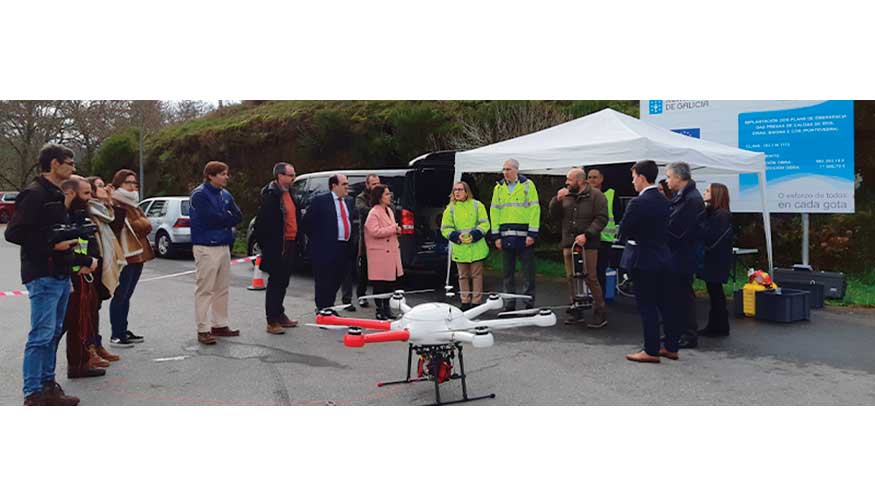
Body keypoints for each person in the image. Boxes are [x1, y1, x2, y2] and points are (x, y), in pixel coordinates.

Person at [4, 143, 94, 405]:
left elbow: (54, 229)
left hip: (61, 271)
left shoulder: (55, 193)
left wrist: (72, 241)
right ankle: (33, 392)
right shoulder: (33, 194)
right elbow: (14, 233)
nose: (74, 168)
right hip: (42, 273)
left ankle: (48, 386)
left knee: (53, 333)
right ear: (54, 164)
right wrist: (51, 244)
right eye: (70, 162)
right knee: (41, 335)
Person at [617, 160, 675, 363]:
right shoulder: (664, 200)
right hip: (664, 257)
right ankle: (671, 346)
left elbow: (624, 229)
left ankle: (650, 350)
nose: (632, 182)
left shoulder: (638, 202)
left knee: (647, 305)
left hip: (644, 258)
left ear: (641, 177)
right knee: (665, 304)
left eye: (633, 177)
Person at [189, 161, 243, 345]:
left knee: (222, 288)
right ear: (211, 176)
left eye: (226, 173)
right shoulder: (199, 195)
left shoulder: (225, 193)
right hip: (206, 246)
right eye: (222, 174)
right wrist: (227, 219)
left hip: (223, 244)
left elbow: (238, 215)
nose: (226, 177)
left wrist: (225, 218)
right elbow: (210, 218)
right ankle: (202, 328)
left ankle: (220, 324)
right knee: (205, 289)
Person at [60, 176, 109, 378]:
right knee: (69, 321)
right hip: (75, 274)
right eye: (86, 193)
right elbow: (71, 244)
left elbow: (83, 240)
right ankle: (77, 363)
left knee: (82, 320)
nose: (90, 198)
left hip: (86, 272)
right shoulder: (66, 216)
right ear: (72, 193)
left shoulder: (81, 214)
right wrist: (84, 261)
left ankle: (81, 361)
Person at [548, 168, 608, 327]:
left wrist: (587, 234)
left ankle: (599, 310)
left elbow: (602, 218)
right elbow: (554, 216)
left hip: (588, 244)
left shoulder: (596, 196)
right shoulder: (566, 195)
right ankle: (576, 309)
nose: (566, 182)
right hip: (569, 242)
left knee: (590, 277)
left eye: (569, 179)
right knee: (571, 277)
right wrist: (556, 200)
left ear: (580, 181)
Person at [108, 169, 154, 347]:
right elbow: (138, 226)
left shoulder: (133, 204)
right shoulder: (117, 203)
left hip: (138, 255)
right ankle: (117, 334)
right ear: (119, 184)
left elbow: (145, 225)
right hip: (125, 255)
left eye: (135, 183)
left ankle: (123, 329)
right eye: (128, 183)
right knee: (120, 295)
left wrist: (142, 224)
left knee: (127, 296)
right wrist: (142, 223)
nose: (133, 187)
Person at [254, 162, 301, 334]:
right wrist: (267, 246)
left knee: (284, 282)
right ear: (280, 176)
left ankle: (280, 314)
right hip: (277, 245)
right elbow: (262, 223)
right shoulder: (271, 195)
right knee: (275, 283)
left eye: (293, 174)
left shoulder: (291, 193)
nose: (293, 178)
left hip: (290, 242)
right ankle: (271, 320)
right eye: (290, 175)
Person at [665, 161, 706, 349]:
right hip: (678, 254)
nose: (667, 181)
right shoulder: (683, 196)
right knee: (676, 295)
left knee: (683, 295)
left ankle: (688, 334)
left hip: (683, 254)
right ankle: (679, 332)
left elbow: (679, 229)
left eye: (668, 177)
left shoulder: (691, 199)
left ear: (679, 177)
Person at [489, 158, 540, 311]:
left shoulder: (527, 185)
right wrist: (496, 236)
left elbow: (534, 209)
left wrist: (532, 233)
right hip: (505, 236)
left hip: (524, 237)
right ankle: (509, 304)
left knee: (528, 273)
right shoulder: (498, 188)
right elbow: (494, 212)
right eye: (504, 169)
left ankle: (528, 304)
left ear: (516, 170)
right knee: (507, 274)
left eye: (508, 169)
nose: (505, 172)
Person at [303, 174, 357, 312]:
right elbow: (307, 223)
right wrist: (319, 241)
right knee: (324, 279)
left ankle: (329, 305)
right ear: (334, 186)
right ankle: (322, 308)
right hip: (325, 247)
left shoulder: (349, 201)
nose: (347, 187)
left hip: (343, 246)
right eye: (344, 184)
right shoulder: (320, 201)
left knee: (338, 277)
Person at [85, 176, 124, 363]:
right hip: (93, 262)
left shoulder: (104, 209)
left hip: (101, 261)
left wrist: (110, 201)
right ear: (91, 191)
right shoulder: (89, 209)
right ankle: (88, 348)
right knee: (89, 309)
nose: (105, 188)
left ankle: (96, 344)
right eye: (100, 186)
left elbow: (117, 226)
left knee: (96, 306)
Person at [441, 181, 489, 310]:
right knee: (463, 276)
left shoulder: (477, 205)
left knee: (476, 275)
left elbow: (484, 224)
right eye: (455, 190)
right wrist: (456, 236)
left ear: (466, 192)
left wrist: (475, 235)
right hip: (460, 247)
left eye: (460, 189)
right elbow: (445, 228)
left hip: (476, 247)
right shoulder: (450, 208)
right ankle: (465, 301)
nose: (457, 192)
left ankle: (476, 301)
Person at [697, 183, 733, 337]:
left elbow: (712, 236)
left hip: (715, 259)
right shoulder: (713, 213)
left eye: (707, 191)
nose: (704, 193)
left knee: (716, 293)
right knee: (714, 293)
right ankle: (717, 325)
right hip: (713, 258)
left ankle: (718, 326)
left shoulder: (721, 215)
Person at [364, 184, 404, 320]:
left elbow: (390, 228)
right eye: (387, 194)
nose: (389, 196)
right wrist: (393, 229)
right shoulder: (374, 213)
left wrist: (397, 230)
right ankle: (379, 309)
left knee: (389, 284)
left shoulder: (389, 210)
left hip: (391, 252)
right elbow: (374, 231)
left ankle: (387, 308)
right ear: (380, 197)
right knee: (379, 284)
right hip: (379, 254)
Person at [585, 167, 624, 297]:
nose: (591, 180)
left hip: (604, 239)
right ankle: (590, 295)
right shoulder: (583, 194)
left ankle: (600, 297)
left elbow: (618, 216)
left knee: (600, 270)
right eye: (589, 177)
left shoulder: (611, 194)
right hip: (588, 238)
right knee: (588, 271)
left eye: (595, 177)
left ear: (601, 179)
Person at [354, 174, 381, 308]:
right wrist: (378, 211)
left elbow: (391, 208)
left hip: (381, 239)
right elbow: (362, 209)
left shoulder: (382, 196)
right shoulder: (362, 197)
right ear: (368, 185)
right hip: (366, 239)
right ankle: (361, 295)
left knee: (379, 271)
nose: (376, 186)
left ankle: (379, 298)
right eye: (374, 184)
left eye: (378, 183)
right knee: (364, 270)